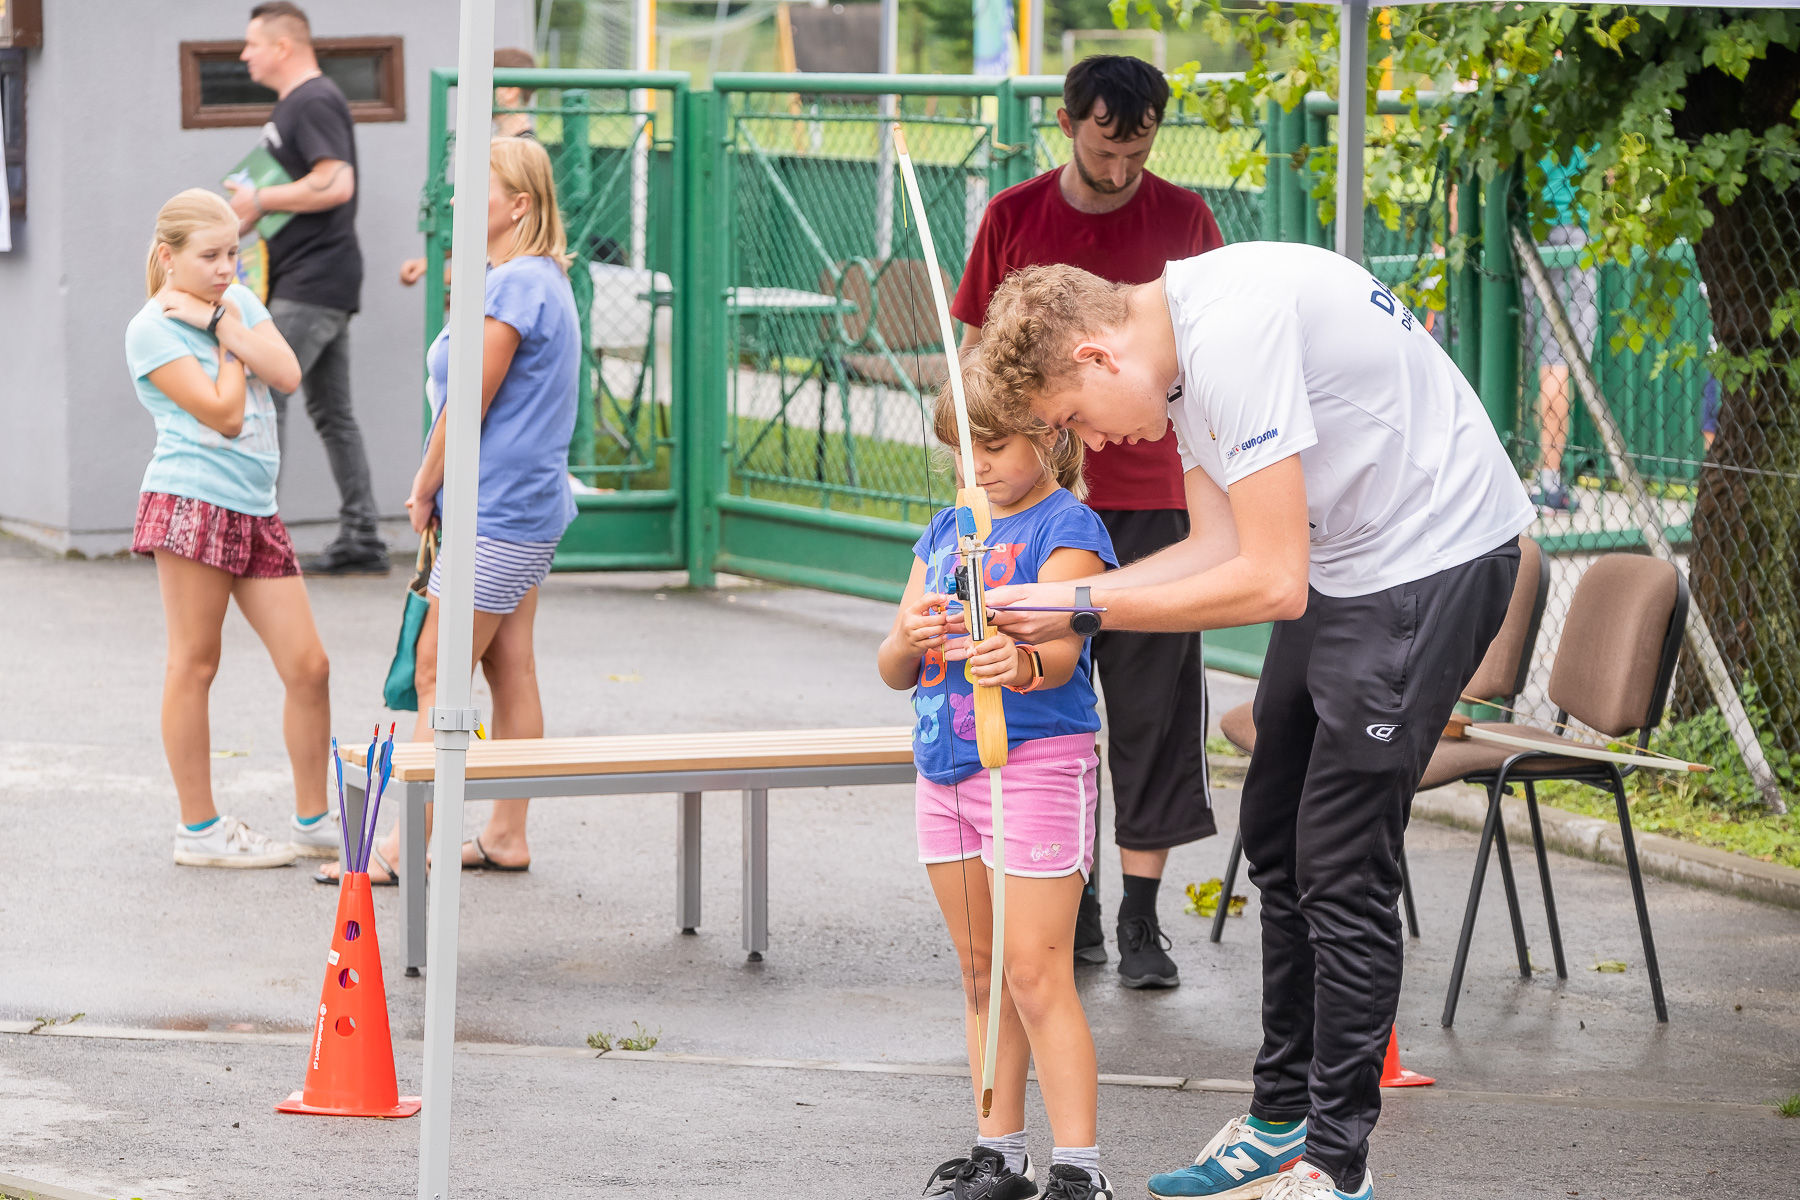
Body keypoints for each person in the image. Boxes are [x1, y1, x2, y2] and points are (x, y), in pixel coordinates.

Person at [974, 244, 1533, 1200]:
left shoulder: (1232, 331)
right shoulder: (1181, 358)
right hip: (1346, 563)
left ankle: (1338, 1164)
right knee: (1274, 840)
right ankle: (1280, 1121)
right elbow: (1216, 545)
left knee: (1341, 866)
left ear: (1099, 359)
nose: (1092, 445)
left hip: (1431, 561)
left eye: (1073, 420)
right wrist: (1060, 596)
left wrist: (1087, 608)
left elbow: (1268, 582)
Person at [953, 53, 1225, 988]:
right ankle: (1069, 906)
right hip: (1039, 500)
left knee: (1153, 708)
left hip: (1156, 494)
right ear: (1069, 123)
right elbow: (976, 365)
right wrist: (981, 464)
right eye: (1110, 140)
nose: (1124, 161)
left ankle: (1144, 917)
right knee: (1044, 694)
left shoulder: (1185, 217)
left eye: (1143, 141)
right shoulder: (1012, 217)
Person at [880, 359, 1118, 1200]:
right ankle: (999, 1152)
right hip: (944, 768)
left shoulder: (1070, 528)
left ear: (1048, 434)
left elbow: (1061, 653)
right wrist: (913, 635)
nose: (974, 465)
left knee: (1036, 970)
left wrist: (1014, 659)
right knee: (982, 972)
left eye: (992, 443)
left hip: (1036, 770)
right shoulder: (946, 530)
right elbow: (891, 664)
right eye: (960, 450)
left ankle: (1081, 1170)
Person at [319, 137, 580, 884]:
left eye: (476, 189)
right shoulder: (531, 279)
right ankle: (505, 836)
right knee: (509, 664)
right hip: (523, 505)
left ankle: (403, 848)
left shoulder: (515, 287)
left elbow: (470, 397)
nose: (461, 202)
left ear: (519, 204)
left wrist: (426, 482)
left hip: (496, 510)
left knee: (438, 669)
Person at [127, 188, 337, 869]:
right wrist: (228, 337)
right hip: (192, 501)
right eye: (211, 257)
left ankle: (313, 819)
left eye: (234, 255)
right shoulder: (151, 329)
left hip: (255, 506)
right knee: (196, 662)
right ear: (169, 257)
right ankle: (200, 830)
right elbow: (225, 413)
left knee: (309, 666)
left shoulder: (236, 303)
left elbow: (288, 372)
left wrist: (224, 320)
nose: (228, 268)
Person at [229, 2, 386, 575]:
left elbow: (335, 181)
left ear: (283, 47)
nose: (243, 54)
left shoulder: (313, 99)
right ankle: (363, 537)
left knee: (263, 395)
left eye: (251, 44)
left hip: (313, 281)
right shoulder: (300, 104)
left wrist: (261, 200)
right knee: (332, 412)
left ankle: (253, 537)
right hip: (321, 278)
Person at [399, 47, 539, 289]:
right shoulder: (501, 147)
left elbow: (512, 234)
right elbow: (488, 223)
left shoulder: (524, 153)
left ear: (510, 92)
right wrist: (430, 263)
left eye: (488, 84)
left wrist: (443, 275)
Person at [1520, 148, 1596, 513]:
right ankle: (1550, 482)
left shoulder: (1517, 92)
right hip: (1573, 231)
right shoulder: (1587, 98)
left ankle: (1526, 472)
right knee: (1558, 361)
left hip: (1524, 229)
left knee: (1531, 357)